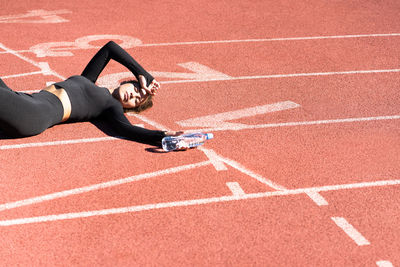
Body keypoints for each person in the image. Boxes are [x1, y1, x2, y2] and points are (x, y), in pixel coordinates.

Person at [0, 41, 179, 146]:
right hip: (23, 98)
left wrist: (162, 136)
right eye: (136, 90)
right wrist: (144, 75)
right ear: (127, 82)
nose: (133, 96)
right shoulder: (88, 80)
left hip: (32, 115)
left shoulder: (110, 107)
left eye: (136, 101)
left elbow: (128, 130)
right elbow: (110, 48)